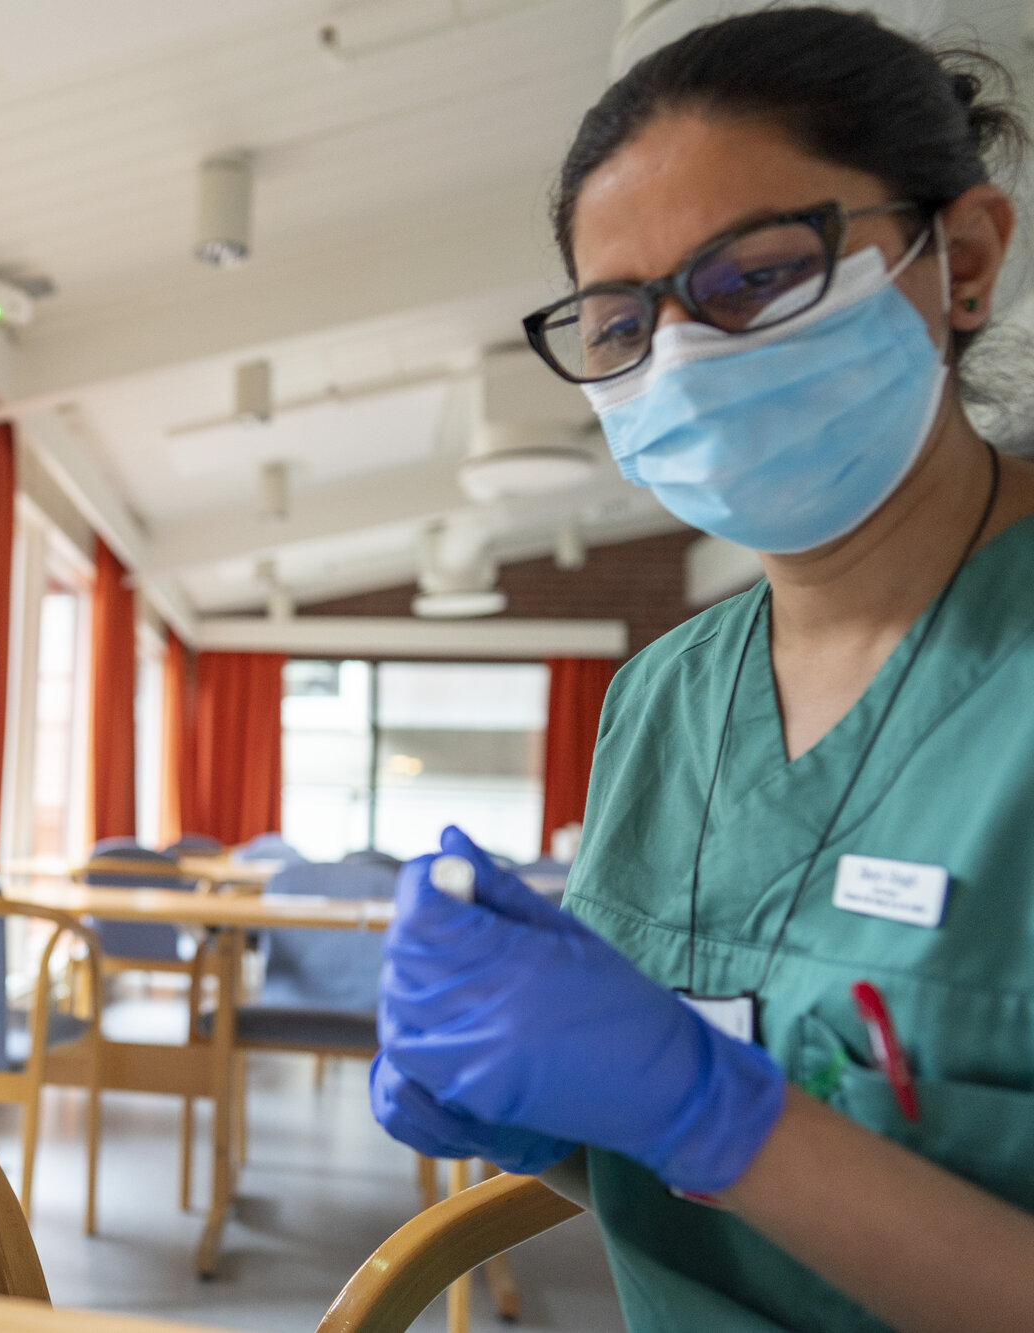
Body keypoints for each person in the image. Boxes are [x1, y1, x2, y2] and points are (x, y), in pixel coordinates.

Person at [368, 10, 1034, 1331]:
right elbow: (696, 1192)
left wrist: (714, 1111)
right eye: (619, 322)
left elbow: (718, 1123)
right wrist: (549, 1114)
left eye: (755, 278)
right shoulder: (664, 698)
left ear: (960, 261)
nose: (681, 353)